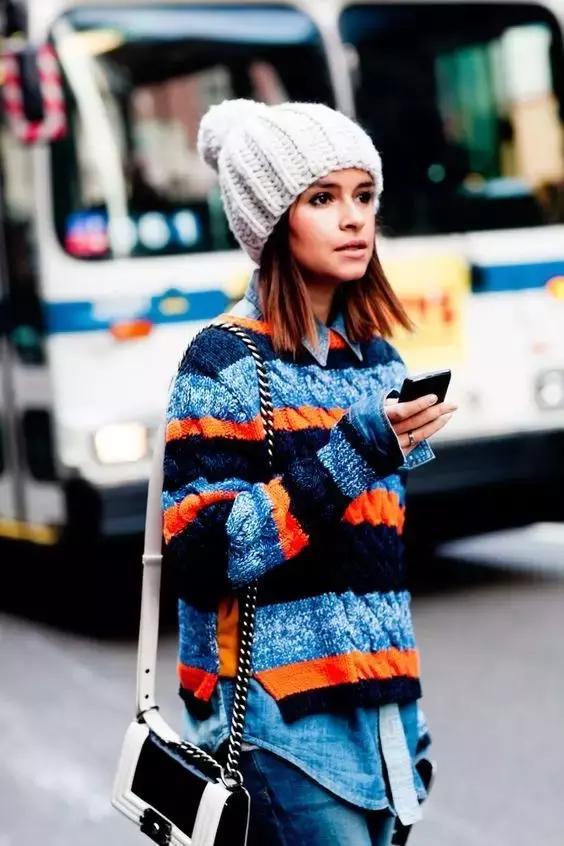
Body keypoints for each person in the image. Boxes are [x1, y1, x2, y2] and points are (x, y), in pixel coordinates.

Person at [162, 99, 458, 845]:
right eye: (322, 199)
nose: (354, 219)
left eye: (364, 196)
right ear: (272, 221)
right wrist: (355, 451)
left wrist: (408, 708)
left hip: (383, 717)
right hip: (277, 717)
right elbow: (199, 555)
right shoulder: (224, 359)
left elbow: (376, 560)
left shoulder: (378, 360)